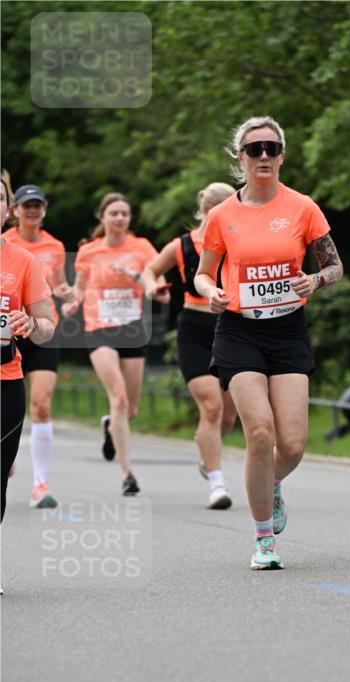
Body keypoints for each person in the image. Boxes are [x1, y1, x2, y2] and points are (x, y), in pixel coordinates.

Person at [195, 115, 343, 569]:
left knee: (292, 445)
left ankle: (270, 485)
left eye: (271, 149)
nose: (264, 156)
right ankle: (263, 540)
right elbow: (202, 273)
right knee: (260, 432)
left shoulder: (303, 208)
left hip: (287, 331)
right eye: (254, 149)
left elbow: (335, 268)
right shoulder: (222, 216)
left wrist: (314, 280)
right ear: (240, 157)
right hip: (239, 329)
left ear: (282, 155)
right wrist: (211, 292)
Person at [62, 192, 166, 495]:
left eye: (124, 213)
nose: (120, 218)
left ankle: (110, 426)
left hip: (133, 330)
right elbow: (80, 288)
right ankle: (127, 474)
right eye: (114, 213)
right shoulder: (89, 252)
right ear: (102, 217)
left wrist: (154, 289)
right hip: (99, 329)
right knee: (118, 398)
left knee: (130, 409)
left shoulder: (142, 247)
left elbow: (154, 280)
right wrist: (71, 304)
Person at [143, 183, 237, 510]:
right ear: (207, 212)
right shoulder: (181, 245)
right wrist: (153, 287)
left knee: (227, 415)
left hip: (231, 327)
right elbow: (150, 270)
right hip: (195, 328)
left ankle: (206, 447)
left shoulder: (237, 242)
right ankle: (217, 482)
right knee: (211, 406)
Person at [4, 184, 74, 509]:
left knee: (42, 404)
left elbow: (58, 285)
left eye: (37, 205)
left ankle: (39, 483)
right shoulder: (11, 242)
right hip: (10, 337)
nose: (32, 211)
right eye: (26, 205)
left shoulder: (52, 246)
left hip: (36, 330)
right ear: (14, 211)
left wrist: (70, 296)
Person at [1, 176, 56, 532]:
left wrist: (30, 324)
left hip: (6, 380)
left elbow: (48, 323)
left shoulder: (21, 260)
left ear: (8, 209)